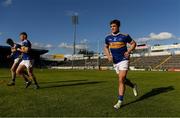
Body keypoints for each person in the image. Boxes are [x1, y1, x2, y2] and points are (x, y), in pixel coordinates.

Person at [104, 19, 138, 109]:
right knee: (123, 79)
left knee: (121, 79)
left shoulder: (124, 36)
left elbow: (134, 43)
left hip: (124, 59)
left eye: (114, 26)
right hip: (115, 61)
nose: (112, 28)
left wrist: (129, 51)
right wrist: (108, 56)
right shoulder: (108, 37)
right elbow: (106, 47)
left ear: (118, 26)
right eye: (111, 26)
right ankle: (133, 85)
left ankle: (119, 101)